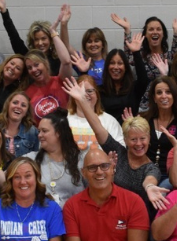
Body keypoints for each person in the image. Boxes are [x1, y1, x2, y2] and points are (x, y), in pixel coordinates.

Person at [64, 78, 168, 210]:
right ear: (124, 140)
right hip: (107, 210)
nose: (138, 144)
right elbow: (97, 128)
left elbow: (150, 181)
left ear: (149, 139)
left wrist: (150, 187)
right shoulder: (117, 151)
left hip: (133, 216)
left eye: (142, 138)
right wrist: (83, 101)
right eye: (133, 139)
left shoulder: (151, 168)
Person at [111, 13, 177, 112]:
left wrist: (176, 32)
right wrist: (127, 31)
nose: (155, 32)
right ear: (145, 35)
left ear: (163, 34)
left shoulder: (168, 57)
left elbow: (175, 52)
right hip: (142, 107)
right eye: (151, 29)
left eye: (158, 29)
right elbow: (129, 56)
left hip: (164, 106)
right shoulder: (141, 57)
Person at [24, 108, 87, 208]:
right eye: (39, 131)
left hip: (73, 218)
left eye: (44, 131)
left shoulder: (80, 159)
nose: (39, 135)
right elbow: (4, 178)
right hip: (43, 218)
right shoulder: (32, 159)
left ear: (59, 133)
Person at [0, 0, 64, 73]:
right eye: (36, 39)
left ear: (50, 39)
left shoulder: (58, 59)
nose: (40, 43)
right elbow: (14, 38)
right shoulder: (27, 57)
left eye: (43, 38)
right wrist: (4, 12)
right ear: (32, 41)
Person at [138, 76, 177, 183]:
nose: (164, 96)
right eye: (159, 92)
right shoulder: (145, 119)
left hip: (169, 175)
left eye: (168, 92)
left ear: (174, 95)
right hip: (145, 172)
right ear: (154, 98)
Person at [21, 27, 74, 123]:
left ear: (45, 64)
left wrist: (53, 33)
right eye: (29, 68)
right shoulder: (27, 93)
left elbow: (66, 61)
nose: (34, 70)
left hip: (65, 133)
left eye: (36, 65)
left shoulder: (60, 81)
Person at [66, 74, 124, 150]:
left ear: (97, 94)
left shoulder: (109, 120)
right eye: (80, 92)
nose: (85, 95)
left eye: (89, 91)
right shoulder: (65, 118)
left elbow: (120, 149)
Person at [98, 48, 147, 119]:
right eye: (112, 63)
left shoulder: (134, 88)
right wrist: (83, 72)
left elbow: (144, 79)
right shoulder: (100, 90)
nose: (116, 67)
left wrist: (136, 52)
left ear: (126, 67)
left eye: (120, 63)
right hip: (106, 129)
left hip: (129, 129)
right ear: (107, 67)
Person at [0, 91, 39, 157]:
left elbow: (37, 160)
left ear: (26, 113)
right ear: (8, 106)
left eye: (23, 105)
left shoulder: (33, 132)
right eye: (15, 103)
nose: (19, 107)